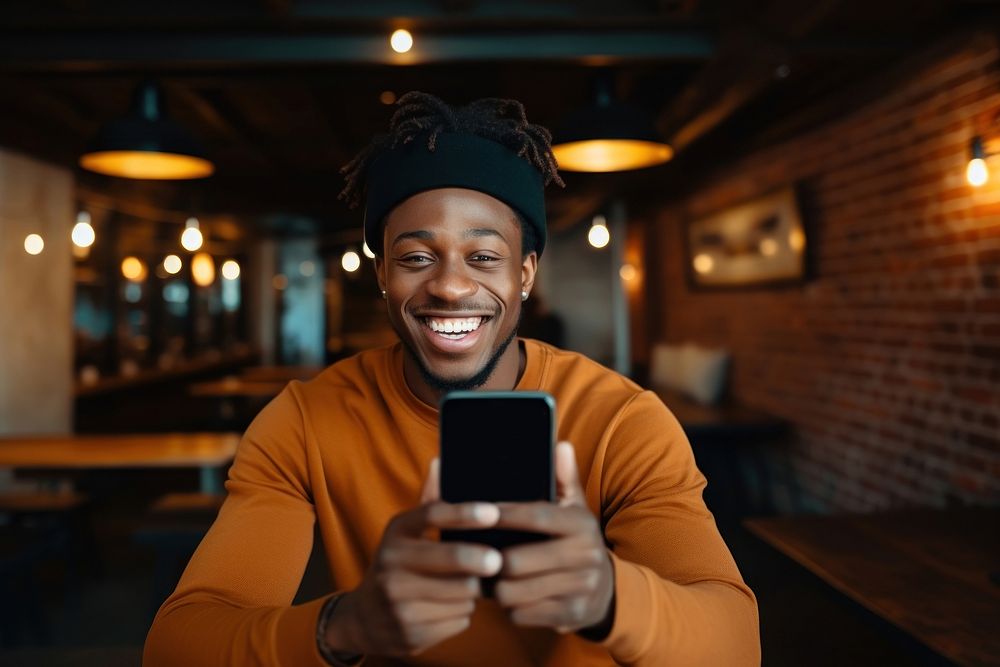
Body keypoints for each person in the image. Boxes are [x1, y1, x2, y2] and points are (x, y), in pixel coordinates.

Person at [144, 92, 760, 666]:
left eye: (484, 257)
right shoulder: (304, 421)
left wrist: (610, 597)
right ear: (382, 271)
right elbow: (176, 645)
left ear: (525, 273)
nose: (450, 285)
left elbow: (736, 643)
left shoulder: (622, 421)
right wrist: (346, 624)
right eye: (416, 258)